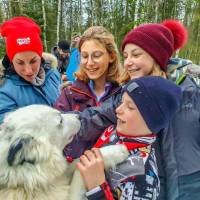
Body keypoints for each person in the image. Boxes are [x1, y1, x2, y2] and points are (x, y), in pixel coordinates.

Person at [64, 20, 188, 199]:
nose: (128, 63)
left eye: (136, 54)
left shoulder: (189, 91)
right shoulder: (126, 93)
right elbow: (95, 117)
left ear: (157, 56)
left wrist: (96, 187)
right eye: (126, 56)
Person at [77, 76, 182, 199]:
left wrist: (96, 188)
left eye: (130, 107)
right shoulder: (114, 131)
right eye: (121, 102)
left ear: (150, 120)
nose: (118, 110)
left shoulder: (143, 172)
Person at [0, 16, 61, 123]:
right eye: (20, 63)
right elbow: (9, 134)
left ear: (40, 57)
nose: (28, 70)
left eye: (33, 61)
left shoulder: (53, 74)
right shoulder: (4, 91)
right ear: (11, 61)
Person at [54, 26, 121, 113]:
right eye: (84, 56)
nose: (89, 63)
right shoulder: (69, 94)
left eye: (96, 55)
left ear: (111, 56)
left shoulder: (123, 93)